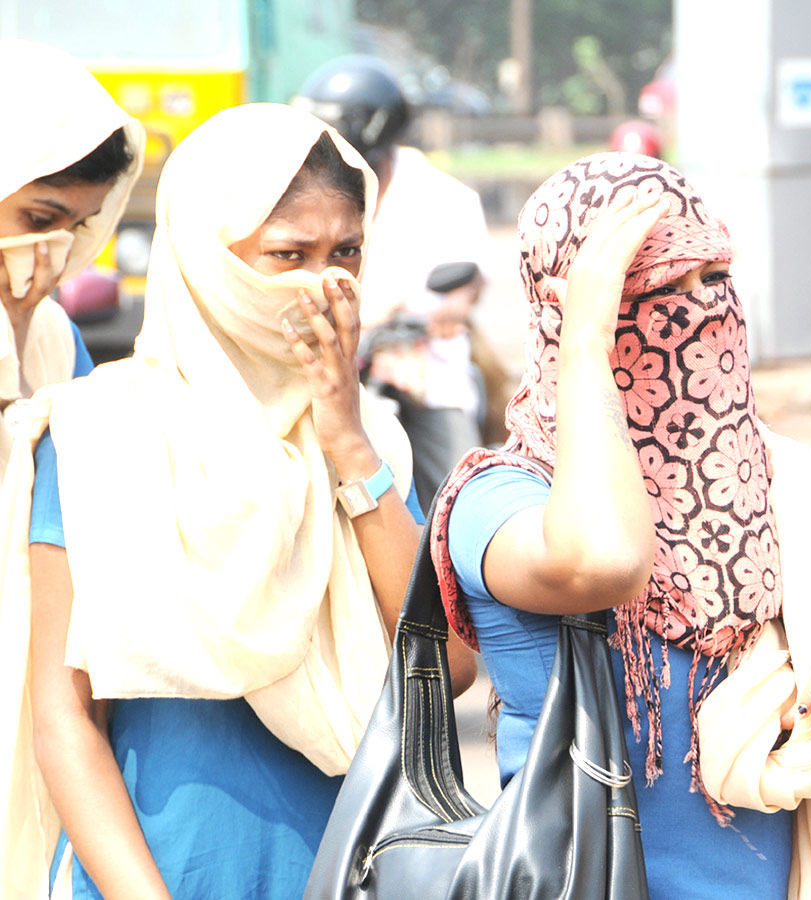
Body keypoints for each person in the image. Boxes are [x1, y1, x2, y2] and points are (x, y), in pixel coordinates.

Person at [1, 103, 475, 899]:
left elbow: (449, 665)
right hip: (163, 872)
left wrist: (349, 445)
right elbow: (64, 719)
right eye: (286, 254)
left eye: (346, 252)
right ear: (207, 261)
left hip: (348, 870)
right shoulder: (101, 430)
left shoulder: (375, 444)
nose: (320, 286)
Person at [428, 153, 811, 898]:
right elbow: (607, 561)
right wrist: (584, 342)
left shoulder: (779, 489)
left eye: (712, 278)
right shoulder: (501, 499)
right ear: (572, 306)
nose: (700, 311)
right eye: (653, 288)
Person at [294, 55, 494, 510]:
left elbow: (468, 282)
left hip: (420, 369)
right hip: (332, 359)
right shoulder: (308, 191)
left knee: (458, 483)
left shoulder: (443, 198)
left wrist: (448, 310)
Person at [0, 40, 145, 476]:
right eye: (40, 218)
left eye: (80, 227)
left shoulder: (54, 336)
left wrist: (17, 331)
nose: (52, 255)